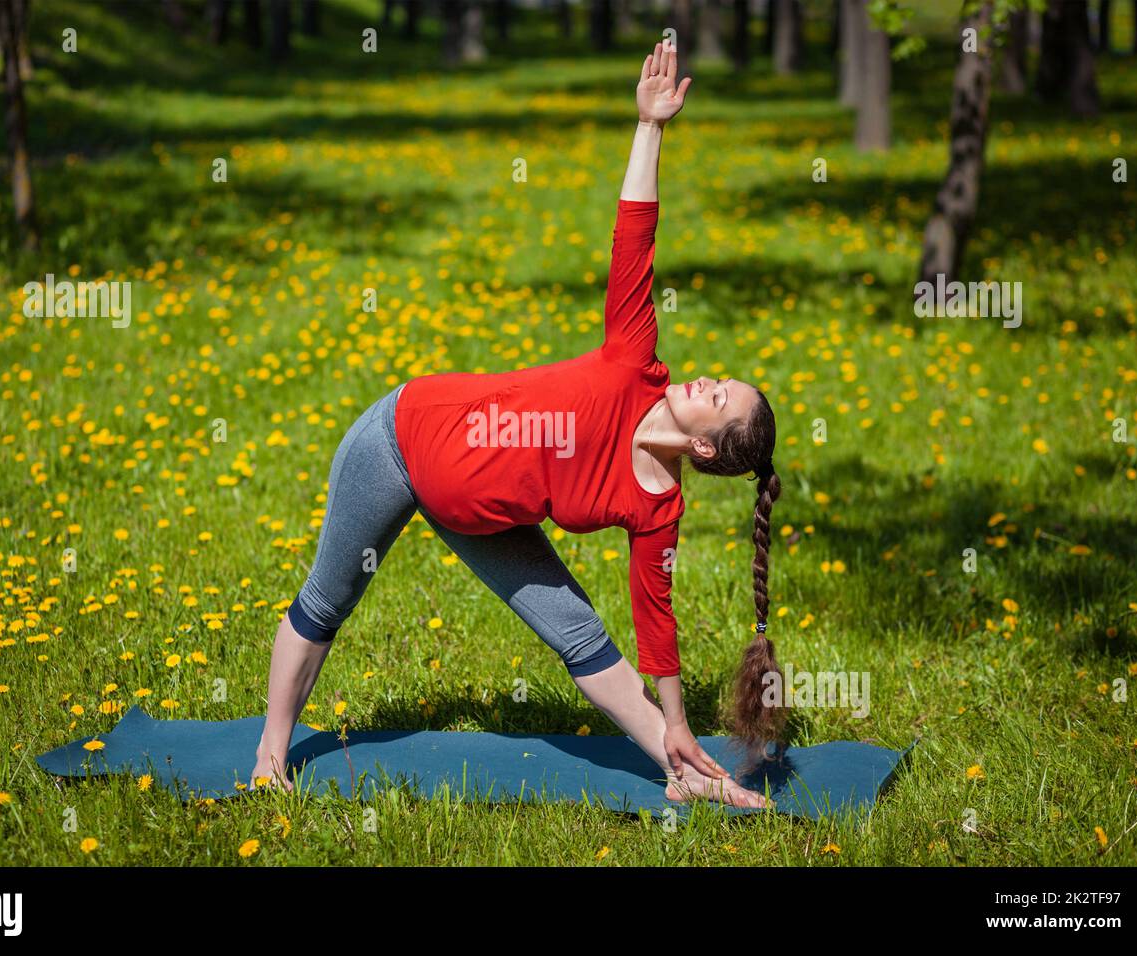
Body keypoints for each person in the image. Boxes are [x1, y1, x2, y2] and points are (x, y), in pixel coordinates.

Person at [252, 41, 784, 810]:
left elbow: (654, 625)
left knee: (582, 638)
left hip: (488, 519)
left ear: (706, 446)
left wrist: (679, 724)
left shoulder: (657, 508)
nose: (708, 379)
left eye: (720, 397)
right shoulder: (637, 362)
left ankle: (683, 773)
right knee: (328, 601)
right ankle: (271, 754)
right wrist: (650, 127)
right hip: (403, 442)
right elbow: (635, 235)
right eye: (722, 379)